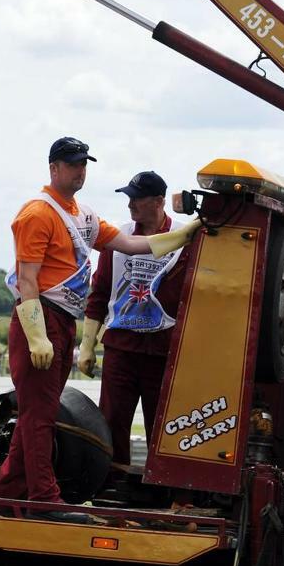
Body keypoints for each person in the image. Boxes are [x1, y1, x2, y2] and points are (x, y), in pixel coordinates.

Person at [0, 137, 200, 522]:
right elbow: (27, 279)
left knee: (36, 413)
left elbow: (130, 243)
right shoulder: (38, 213)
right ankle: (44, 499)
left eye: (83, 164)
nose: (79, 171)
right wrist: (37, 335)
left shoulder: (83, 215)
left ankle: (12, 488)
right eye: (72, 164)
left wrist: (188, 233)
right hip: (41, 316)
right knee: (40, 415)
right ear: (53, 168)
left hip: (62, 321)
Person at [78, 171, 190, 467]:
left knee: (164, 425)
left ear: (158, 201)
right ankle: (111, 487)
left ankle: (163, 492)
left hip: (163, 350)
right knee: (112, 421)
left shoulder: (185, 240)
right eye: (129, 198)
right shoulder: (119, 237)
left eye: (137, 198)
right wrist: (87, 346)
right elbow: (99, 293)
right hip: (121, 347)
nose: (131, 205)